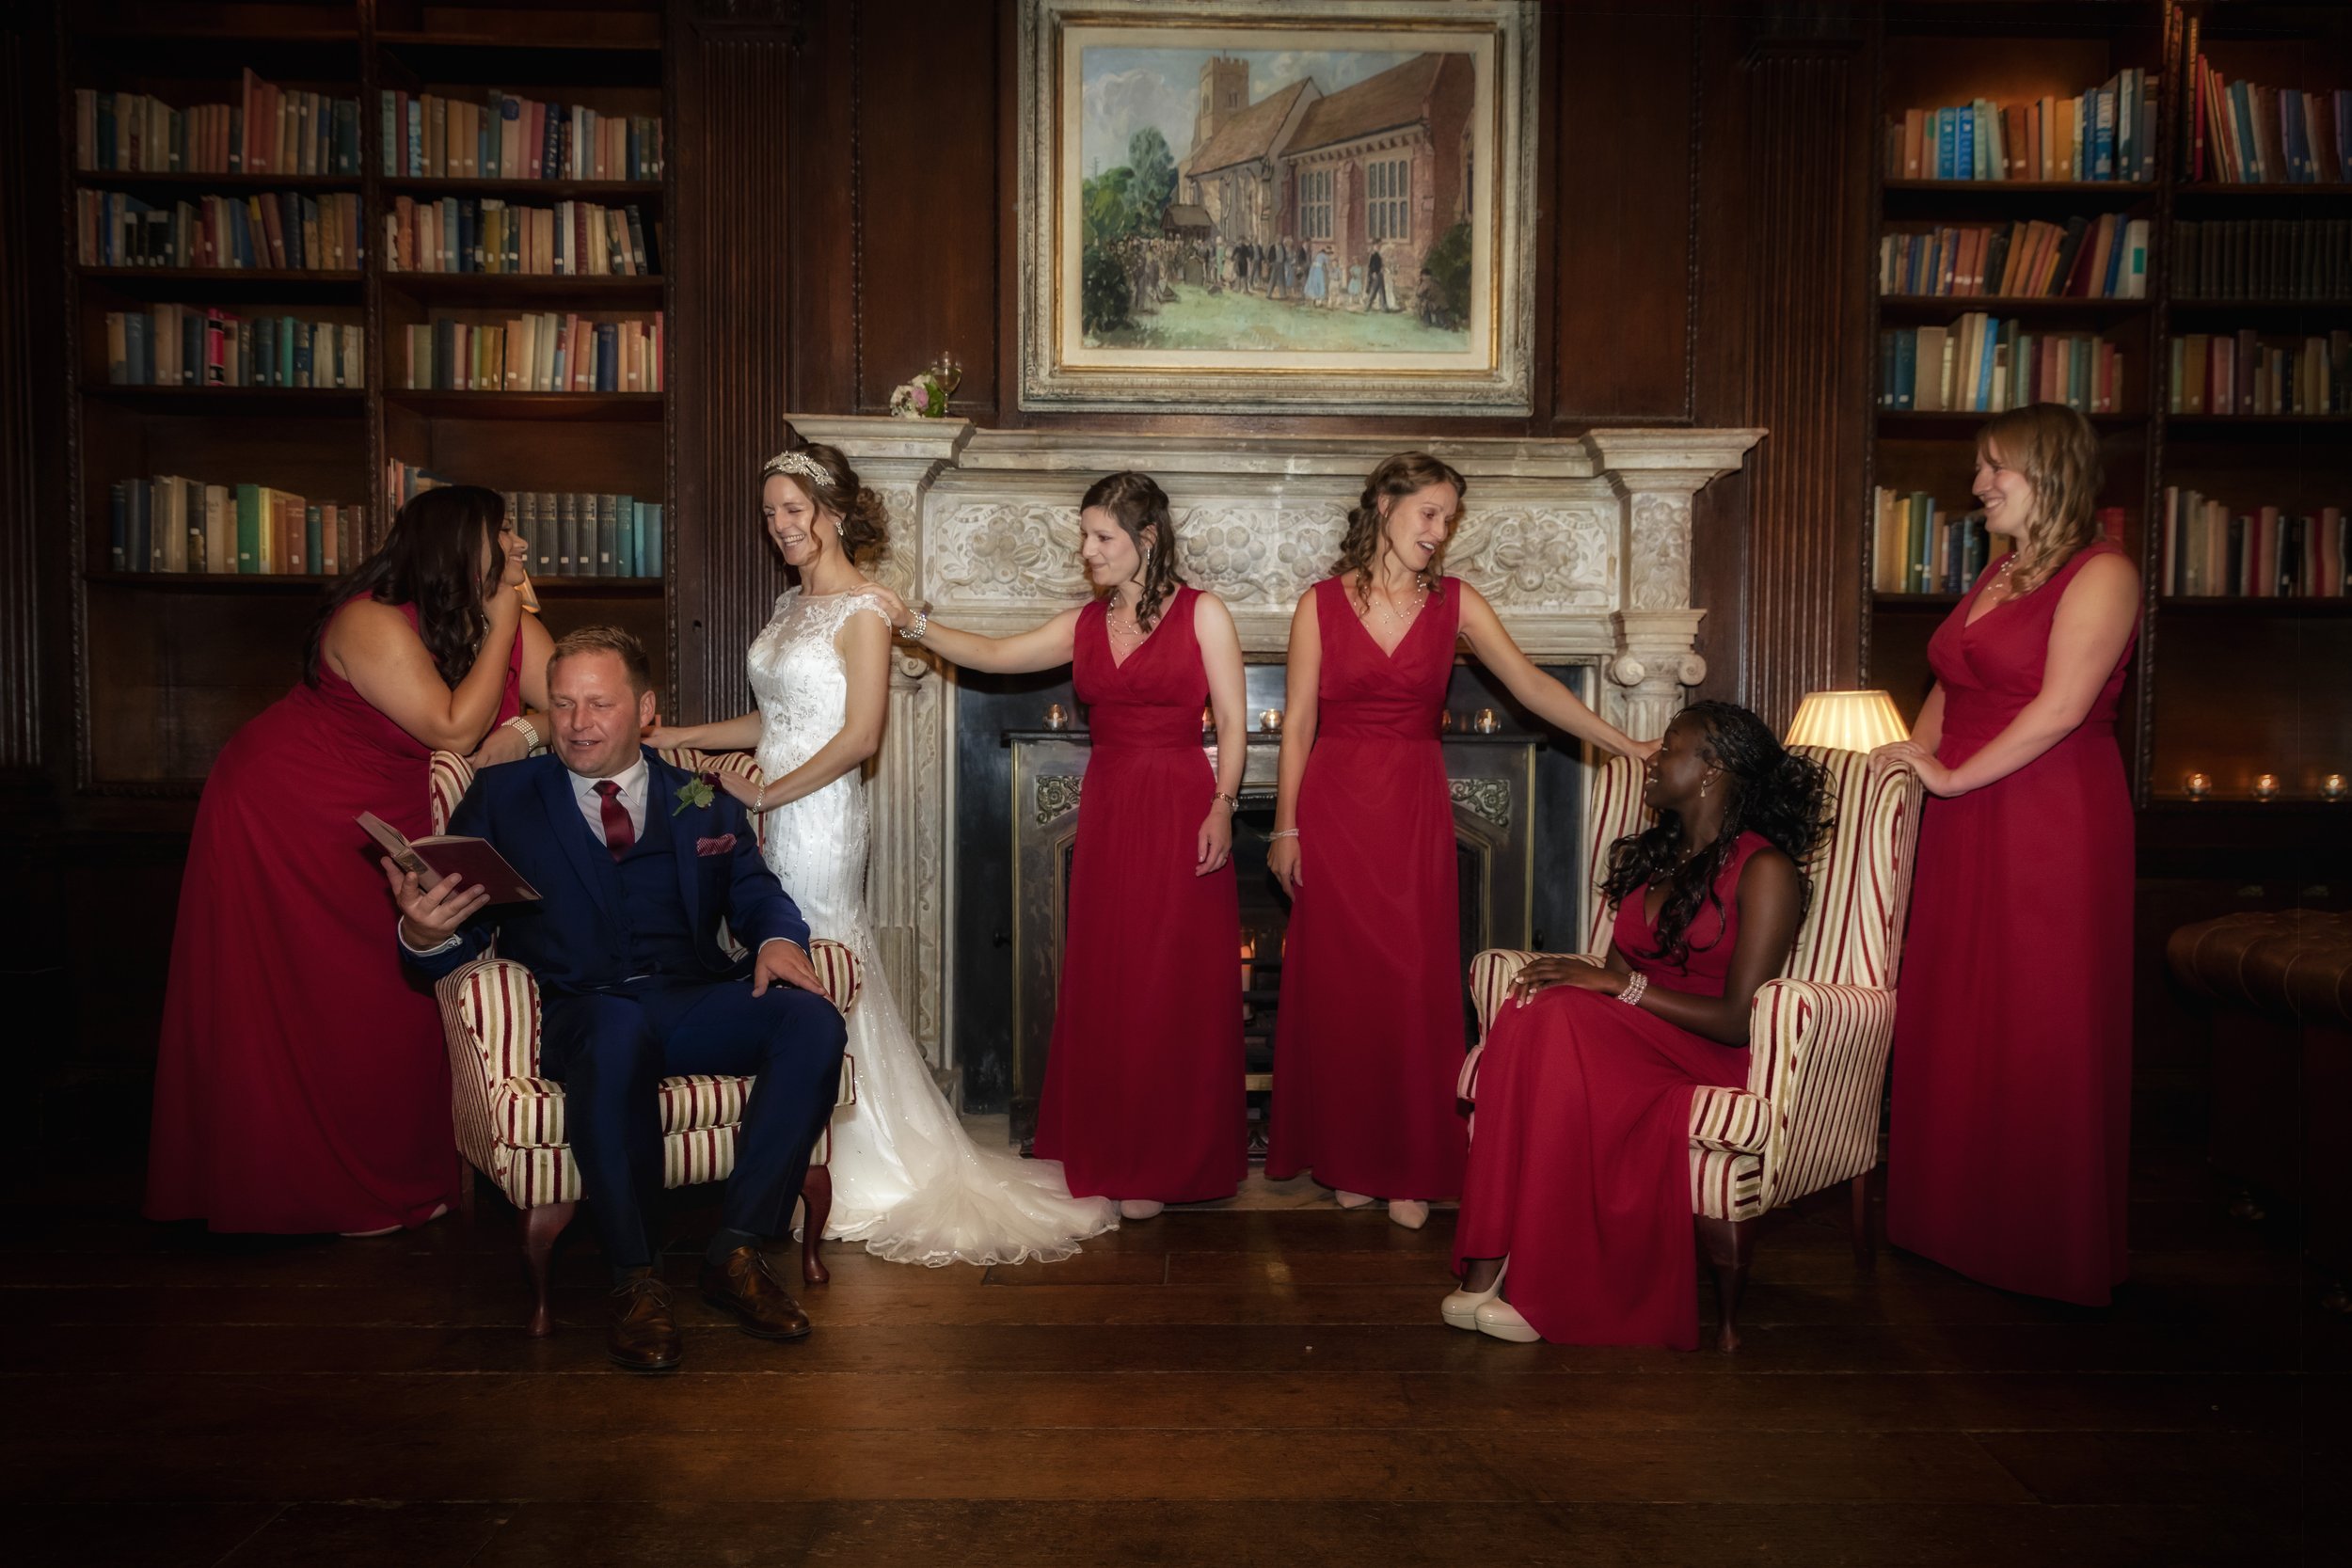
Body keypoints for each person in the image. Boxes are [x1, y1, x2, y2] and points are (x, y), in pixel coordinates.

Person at [647, 434, 1116, 1266]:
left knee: (821, 954)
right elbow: (774, 719)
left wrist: (768, 794)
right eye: (770, 512)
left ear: (832, 512)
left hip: (819, 817)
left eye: (794, 508)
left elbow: (861, 735)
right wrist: (683, 735)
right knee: (777, 955)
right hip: (773, 806)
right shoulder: (790, 605)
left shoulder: (865, 609)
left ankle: (852, 1160)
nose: (781, 524)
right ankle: (791, 1144)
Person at [392, 626, 847, 1372]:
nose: (577, 723)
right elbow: (461, 926)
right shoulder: (503, 797)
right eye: (563, 704)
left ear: (644, 709)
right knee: (615, 1030)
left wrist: (774, 937)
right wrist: (422, 930)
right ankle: (636, 1279)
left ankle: (735, 1253)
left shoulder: (700, 794)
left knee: (811, 1021)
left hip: (689, 998)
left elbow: (755, 889)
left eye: (599, 704)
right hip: (581, 1009)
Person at [145, 484, 549, 1237]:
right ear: (460, 544)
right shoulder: (371, 620)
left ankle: (393, 1173)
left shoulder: (498, 617)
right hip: (291, 811)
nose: (520, 543)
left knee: (396, 1001)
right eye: (503, 532)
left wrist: (525, 729)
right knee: (319, 1000)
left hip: (398, 818)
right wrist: (502, 616)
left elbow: (572, 696)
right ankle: (302, 1189)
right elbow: (452, 729)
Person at [1265, 452, 1658, 1227]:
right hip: (1335, 809)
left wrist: (1626, 744)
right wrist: (1285, 825)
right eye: (1430, 513)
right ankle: (1349, 1158)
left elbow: (1534, 685)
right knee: (1343, 991)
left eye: (1449, 519)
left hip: (1411, 808)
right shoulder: (1319, 604)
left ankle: (1410, 1167)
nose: (1439, 532)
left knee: (1412, 986)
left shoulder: (1457, 603)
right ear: (1386, 505)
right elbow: (1300, 722)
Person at [874, 472, 1250, 1219]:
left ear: (1146, 539)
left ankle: (1167, 1160)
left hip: (1182, 805)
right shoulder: (1083, 624)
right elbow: (991, 652)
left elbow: (1235, 724)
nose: (1087, 550)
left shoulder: (1204, 614)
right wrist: (911, 621)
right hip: (1110, 808)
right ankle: (1114, 1151)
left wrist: (1224, 803)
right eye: (1085, 535)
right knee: (1114, 980)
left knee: (1170, 982)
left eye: (1102, 536)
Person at [1442, 703, 1832, 1349]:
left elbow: (1737, 1020)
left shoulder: (1766, 870)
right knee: (1534, 1003)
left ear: (1712, 768)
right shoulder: (1656, 862)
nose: (1652, 758)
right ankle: (1494, 1255)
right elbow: (1613, 984)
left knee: (1562, 1013)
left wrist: (1618, 985)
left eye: (1669, 747)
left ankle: (1545, 1285)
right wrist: (1596, 981)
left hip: (1708, 1049)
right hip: (1642, 1036)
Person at [1879, 402, 2141, 1306]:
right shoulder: (1998, 569)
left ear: (2053, 472)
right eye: (1981, 467)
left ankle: (2040, 1245)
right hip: (1965, 808)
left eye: (1998, 467)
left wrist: (1951, 778)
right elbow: (1953, 682)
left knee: (2037, 1013)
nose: (1979, 484)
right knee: (1957, 1004)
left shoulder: (2103, 573)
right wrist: (1906, 772)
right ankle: (1949, 1224)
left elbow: (2061, 707)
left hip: (2046, 814)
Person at [1366, 246, 1391, 312]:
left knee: (1382, 291)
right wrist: (1373, 272)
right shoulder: (1373, 255)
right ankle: (1368, 306)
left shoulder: (1379, 255)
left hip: (1380, 274)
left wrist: (1383, 269)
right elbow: (1370, 266)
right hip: (1376, 275)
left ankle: (1383, 307)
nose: (1378, 247)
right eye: (1377, 246)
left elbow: (1381, 265)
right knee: (1373, 291)